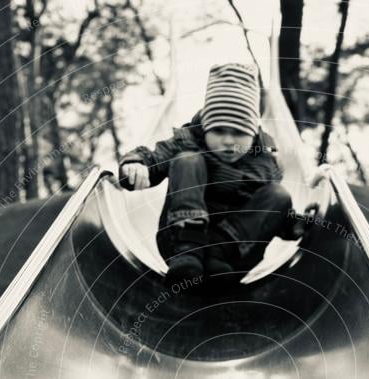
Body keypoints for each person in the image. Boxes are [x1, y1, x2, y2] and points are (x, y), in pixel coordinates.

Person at [118, 63, 303, 286]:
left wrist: (295, 225)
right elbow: (154, 159)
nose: (227, 141)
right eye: (218, 131)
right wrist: (136, 165)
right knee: (188, 160)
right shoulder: (187, 140)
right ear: (205, 127)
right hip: (180, 249)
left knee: (278, 195)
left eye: (238, 133)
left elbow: (266, 215)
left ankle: (219, 254)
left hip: (234, 258)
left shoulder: (264, 160)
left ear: (253, 133)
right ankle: (190, 248)